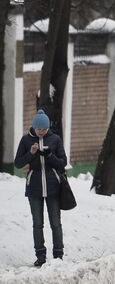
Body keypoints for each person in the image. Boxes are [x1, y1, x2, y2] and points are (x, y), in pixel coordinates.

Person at [14, 109, 68, 267]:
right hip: (35, 188)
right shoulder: (25, 141)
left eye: (44, 130)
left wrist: (50, 155)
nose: (42, 133)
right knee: (37, 223)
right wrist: (31, 154)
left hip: (53, 187)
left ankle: (58, 256)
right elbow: (18, 163)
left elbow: (63, 162)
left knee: (55, 223)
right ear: (33, 127)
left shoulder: (55, 139)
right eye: (39, 129)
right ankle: (40, 256)